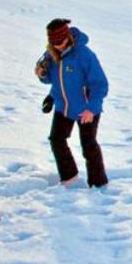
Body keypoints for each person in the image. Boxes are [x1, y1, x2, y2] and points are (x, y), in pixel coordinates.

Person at [35, 19, 109, 188]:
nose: (58, 46)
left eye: (60, 42)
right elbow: (54, 81)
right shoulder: (51, 54)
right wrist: (42, 75)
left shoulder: (84, 55)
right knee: (56, 139)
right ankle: (70, 179)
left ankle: (99, 184)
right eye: (53, 43)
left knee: (88, 146)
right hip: (63, 107)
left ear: (67, 37)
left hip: (86, 109)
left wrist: (92, 109)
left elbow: (100, 84)